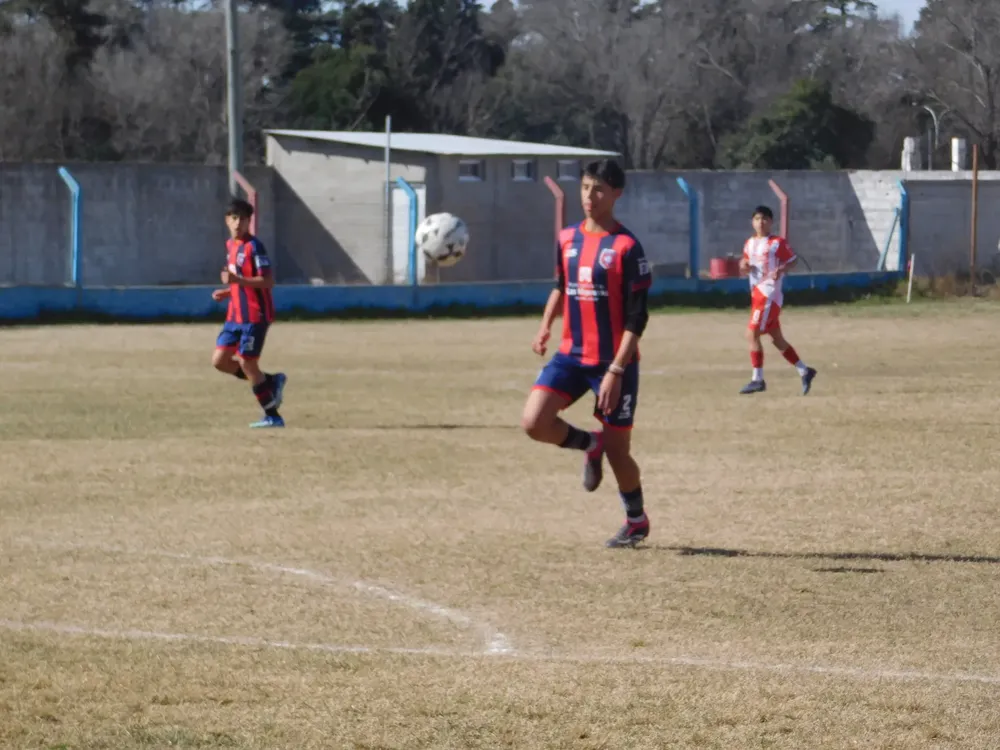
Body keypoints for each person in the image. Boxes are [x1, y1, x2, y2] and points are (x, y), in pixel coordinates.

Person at [521, 159, 653, 549]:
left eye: (598, 189)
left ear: (616, 194)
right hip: (571, 355)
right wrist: (546, 325)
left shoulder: (628, 247)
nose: (589, 197)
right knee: (534, 422)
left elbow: (637, 317)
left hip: (614, 362)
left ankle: (636, 521)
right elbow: (561, 286)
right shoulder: (566, 239)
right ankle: (588, 445)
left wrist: (615, 369)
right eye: (584, 188)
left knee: (619, 452)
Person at [211, 198, 288, 428]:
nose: (238, 223)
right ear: (227, 221)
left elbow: (268, 281)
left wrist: (237, 281)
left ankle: (273, 415)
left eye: (243, 219)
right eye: (234, 218)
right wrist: (228, 291)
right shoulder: (230, 246)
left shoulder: (254, 247)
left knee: (247, 362)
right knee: (220, 361)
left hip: (255, 315)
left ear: (249, 222)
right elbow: (240, 282)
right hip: (235, 315)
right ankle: (271, 381)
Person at [738, 205, 817, 396]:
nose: (761, 222)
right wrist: (744, 265)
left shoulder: (776, 243)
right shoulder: (749, 243)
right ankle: (804, 371)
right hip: (756, 293)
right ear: (752, 222)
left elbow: (793, 260)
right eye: (757, 219)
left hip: (769, 294)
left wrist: (781, 269)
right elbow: (744, 263)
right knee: (776, 339)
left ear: (771, 222)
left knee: (751, 334)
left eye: (765, 219)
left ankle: (757, 379)